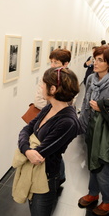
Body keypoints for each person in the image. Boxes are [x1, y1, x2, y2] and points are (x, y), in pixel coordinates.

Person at [15, 67, 81, 216]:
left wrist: (27, 148)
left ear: (53, 89)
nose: (40, 88)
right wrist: (26, 149)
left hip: (46, 177)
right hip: (35, 171)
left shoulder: (68, 122)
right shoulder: (49, 107)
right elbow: (26, 129)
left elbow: (39, 154)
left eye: (43, 85)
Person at [78, 46, 109, 216]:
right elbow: (85, 103)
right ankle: (93, 193)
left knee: (103, 167)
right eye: (95, 59)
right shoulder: (92, 78)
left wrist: (102, 108)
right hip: (91, 128)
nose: (95, 63)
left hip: (107, 132)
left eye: (100, 60)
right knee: (93, 164)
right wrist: (82, 124)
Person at [34, 49, 71, 186]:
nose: (52, 65)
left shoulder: (70, 79)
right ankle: (58, 177)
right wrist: (53, 106)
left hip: (59, 121)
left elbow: (70, 101)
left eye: (56, 62)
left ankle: (56, 177)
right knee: (49, 150)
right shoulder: (47, 77)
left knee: (55, 151)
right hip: (47, 118)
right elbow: (38, 100)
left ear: (66, 64)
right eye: (51, 61)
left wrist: (55, 105)